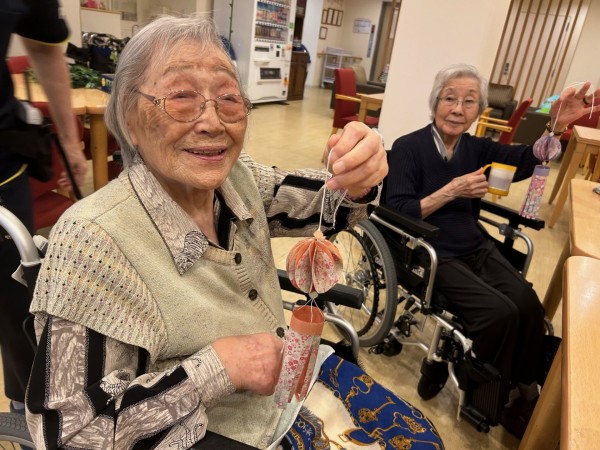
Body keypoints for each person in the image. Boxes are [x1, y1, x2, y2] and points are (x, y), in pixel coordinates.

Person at [24, 15, 444, 450]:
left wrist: (359, 174)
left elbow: (328, 204)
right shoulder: (93, 241)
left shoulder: (237, 181)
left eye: (228, 99)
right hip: (223, 432)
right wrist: (217, 369)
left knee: (423, 439)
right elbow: (69, 435)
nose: (212, 122)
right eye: (182, 97)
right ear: (129, 118)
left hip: (289, 382)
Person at [385, 63, 600, 438]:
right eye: (449, 98)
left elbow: (526, 160)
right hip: (430, 251)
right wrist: (451, 191)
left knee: (528, 304)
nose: (458, 109)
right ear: (435, 102)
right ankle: (487, 395)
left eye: (469, 101)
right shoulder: (408, 148)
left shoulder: (476, 147)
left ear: (479, 110)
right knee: (499, 314)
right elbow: (398, 210)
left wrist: (555, 127)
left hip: (474, 244)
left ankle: (527, 388)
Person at [0, 0, 87, 421]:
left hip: (3, 169)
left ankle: (25, 405)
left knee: (17, 300)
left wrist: (70, 142)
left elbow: (46, 46)